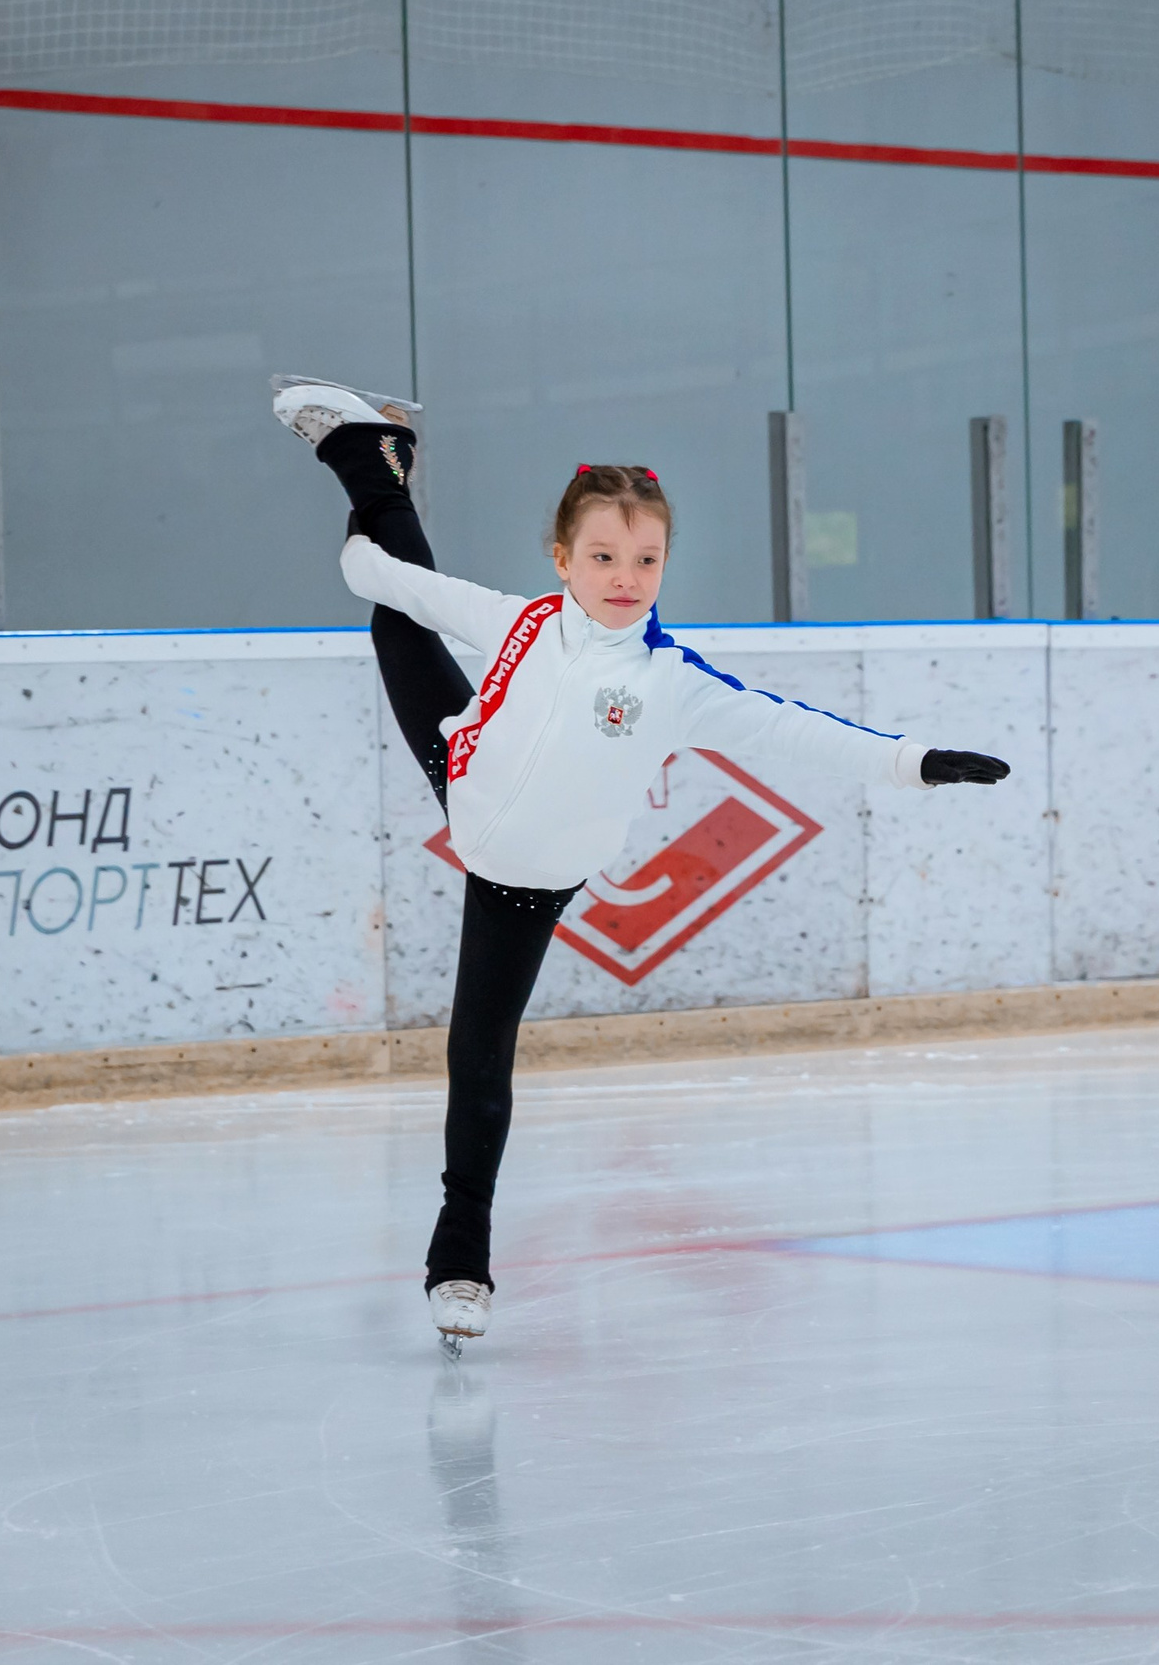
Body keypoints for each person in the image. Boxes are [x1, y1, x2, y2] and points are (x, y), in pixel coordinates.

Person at [272, 380, 1011, 1352]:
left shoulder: (672, 684)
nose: (625, 577)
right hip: (465, 781)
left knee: (477, 1059)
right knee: (393, 613)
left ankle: (461, 1264)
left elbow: (797, 732)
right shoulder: (519, 622)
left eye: (646, 559)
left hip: (526, 879)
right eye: (603, 557)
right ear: (563, 560)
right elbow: (383, 575)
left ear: (666, 563)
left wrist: (915, 762)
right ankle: (367, 452)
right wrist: (363, 541)